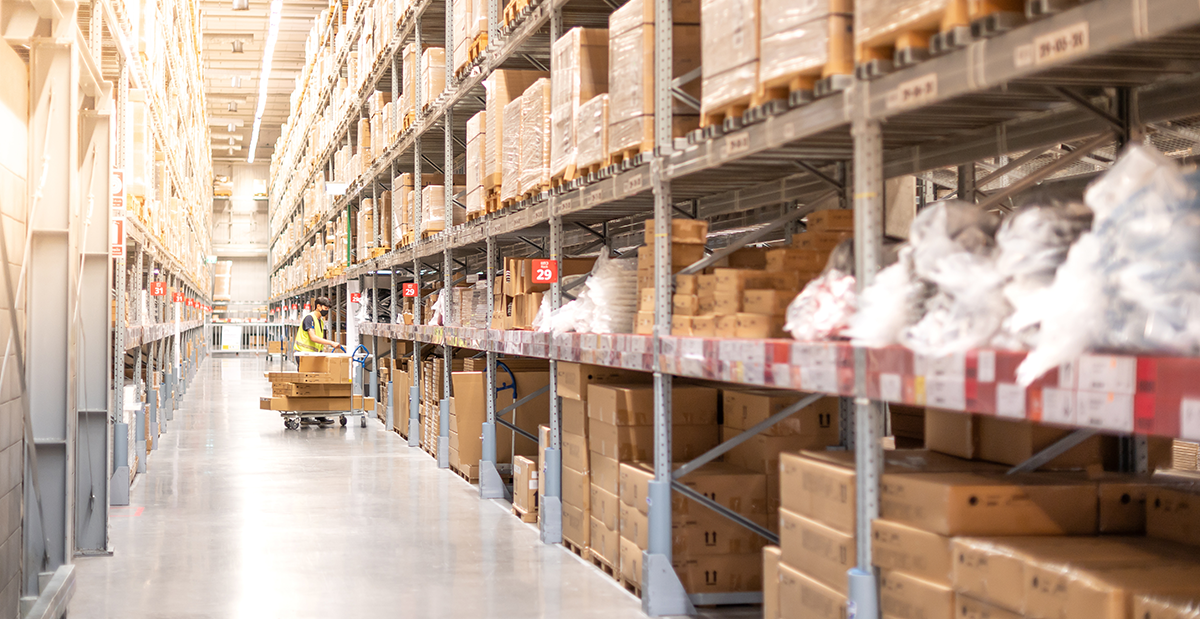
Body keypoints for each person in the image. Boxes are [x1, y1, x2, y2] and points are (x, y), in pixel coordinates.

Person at [293, 297, 343, 425]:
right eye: (325, 309)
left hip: (314, 356)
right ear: (318, 306)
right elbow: (313, 337)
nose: (326, 311)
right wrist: (331, 342)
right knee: (306, 385)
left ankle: (319, 415)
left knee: (319, 384)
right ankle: (304, 415)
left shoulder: (320, 321)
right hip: (304, 356)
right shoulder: (309, 318)